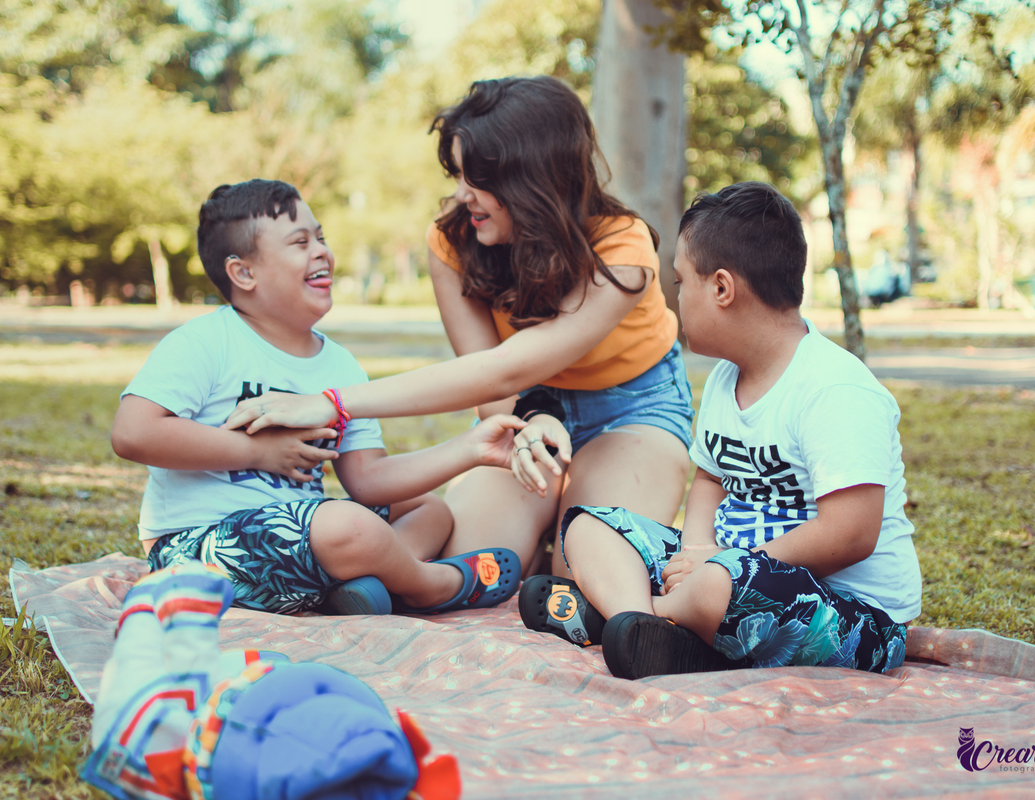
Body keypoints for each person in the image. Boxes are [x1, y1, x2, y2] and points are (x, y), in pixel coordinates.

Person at [223, 77, 695, 580]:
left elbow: (505, 368)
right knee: (476, 565)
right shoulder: (453, 240)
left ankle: (560, 543)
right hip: (520, 411)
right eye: (458, 174)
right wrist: (532, 420)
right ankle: (538, 541)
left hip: (631, 410)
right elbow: (493, 389)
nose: (462, 194)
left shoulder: (623, 249)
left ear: (533, 179)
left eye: (477, 180)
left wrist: (333, 403)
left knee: (584, 574)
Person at [519, 182, 922, 679]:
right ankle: (645, 627)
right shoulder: (724, 380)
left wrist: (722, 565)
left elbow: (850, 533)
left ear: (722, 289)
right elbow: (710, 479)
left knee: (718, 587)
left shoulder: (833, 388)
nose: (675, 297)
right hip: (726, 567)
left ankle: (639, 615)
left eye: (680, 282)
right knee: (587, 526)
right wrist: (694, 552)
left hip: (850, 613)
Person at [111, 179, 523, 617]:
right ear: (244, 273)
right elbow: (133, 433)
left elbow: (368, 480)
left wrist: (470, 448)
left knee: (429, 508)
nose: (321, 251)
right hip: (197, 551)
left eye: (321, 238)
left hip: (307, 539)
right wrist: (257, 452)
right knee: (346, 525)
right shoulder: (207, 341)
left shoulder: (339, 366)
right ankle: (427, 586)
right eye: (300, 242)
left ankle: (366, 585)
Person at [82, 561, 461, 800]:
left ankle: (156, 607)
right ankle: (164, 614)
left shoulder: (139, 731)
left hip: (246, 700)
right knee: (153, 668)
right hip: (230, 718)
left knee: (148, 664)